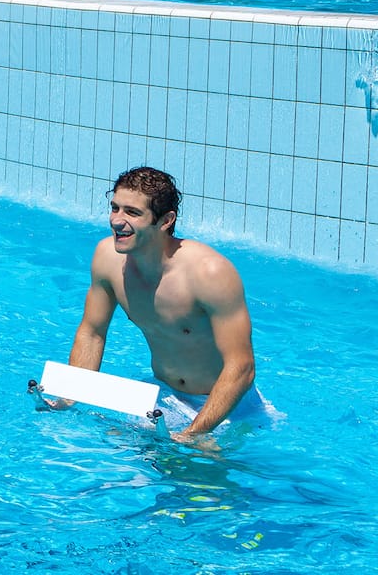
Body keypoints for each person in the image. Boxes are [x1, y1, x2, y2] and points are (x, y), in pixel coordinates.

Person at [59, 167, 273, 440]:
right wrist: (71, 396)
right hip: (166, 397)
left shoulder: (209, 273)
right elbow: (92, 331)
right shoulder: (107, 259)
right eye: (115, 208)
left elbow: (242, 367)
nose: (117, 220)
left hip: (228, 408)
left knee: (203, 478)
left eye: (132, 213)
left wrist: (194, 433)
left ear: (165, 220)